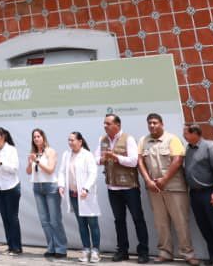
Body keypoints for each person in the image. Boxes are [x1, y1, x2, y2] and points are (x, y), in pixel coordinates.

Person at [138, 113, 196, 265]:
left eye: (155, 122)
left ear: (162, 124)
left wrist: (164, 180)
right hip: (154, 189)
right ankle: (165, 253)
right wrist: (148, 181)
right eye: (149, 123)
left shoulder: (172, 139)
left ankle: (188, 254)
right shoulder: (144, 141)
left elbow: (178, 160)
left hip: (174, 188)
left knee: (181, 222)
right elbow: (140, 162)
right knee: (161, 223)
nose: (152, 125)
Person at [100, 114, 150, 263]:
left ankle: (143, 252)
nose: (105, 126)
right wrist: (102, 159)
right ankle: (122, 251)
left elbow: (134, 161)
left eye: (108, 123)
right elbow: (96, 158)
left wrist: (116, 157)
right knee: (119, 220)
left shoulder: (128, 139)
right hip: (112, 188)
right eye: (104, 123)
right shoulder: (103, 140)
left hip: (129, 187)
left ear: (118, 125)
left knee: (137, 219)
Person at [183, 125, 213, 266]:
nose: (184, 136)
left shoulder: (209, 147)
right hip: (194, 194)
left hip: (208, 193)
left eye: (186, 133)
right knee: (204, 226)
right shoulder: (188, 148)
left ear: (195, 133)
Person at [59, 132, 101, 264]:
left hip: (86, 195)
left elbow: (93, 173)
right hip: (73, 195)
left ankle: (95, 250)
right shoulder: (66, 155)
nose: (70, 142)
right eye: (69, 140)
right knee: (81, 224)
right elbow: (62, 172)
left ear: (80, 141)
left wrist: (86, 188)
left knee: (92, 223)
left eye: (72, 140)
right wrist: (61, 185)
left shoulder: (87, 155)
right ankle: (86, 249)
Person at [27, 127, 67, 259]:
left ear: (43, 137)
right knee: (44, 220)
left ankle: (61, 248)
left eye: (38, 136)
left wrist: (37, 161)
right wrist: (30, 163)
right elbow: (28, 172)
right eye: (34, 137)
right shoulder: (33, 153)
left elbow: (50, 170)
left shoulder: (50, 151)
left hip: (50, 187)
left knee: (54, 220)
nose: (36, 139)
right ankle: (51, 247)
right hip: (37, 187)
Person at [0, 127, 23, 255]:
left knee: (12, 217)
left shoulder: (11, 149)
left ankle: (17, 247)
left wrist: (1, 164)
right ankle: (10, 245)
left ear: (3, 137)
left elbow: (14, 168)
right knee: (5, 217)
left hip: (11, 187)